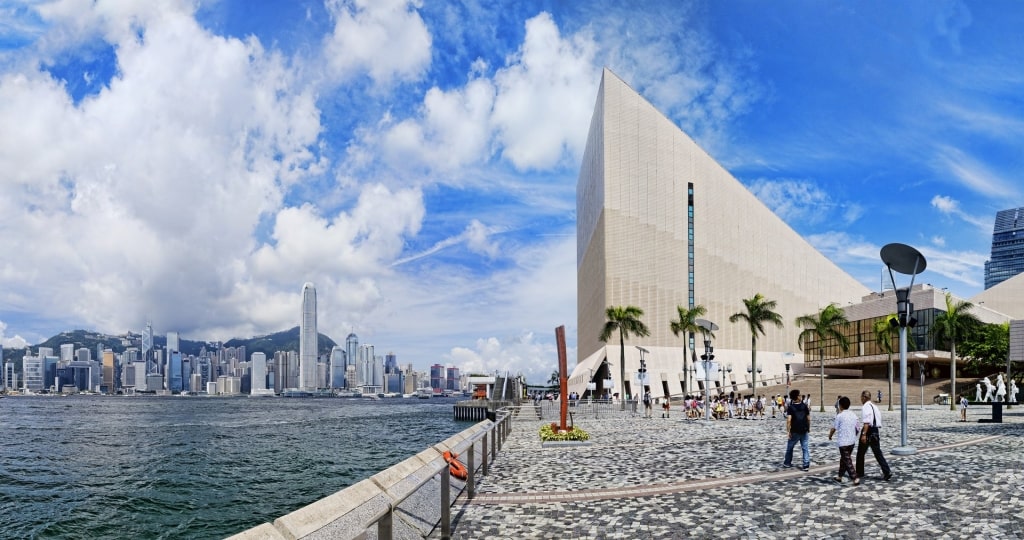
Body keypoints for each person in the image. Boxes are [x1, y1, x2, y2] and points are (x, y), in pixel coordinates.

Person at [856, 390, 892, 481]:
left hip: (868, 431)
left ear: (864, 397)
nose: (861, 399)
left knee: (860, 453)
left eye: (861, 397)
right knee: (878, 453)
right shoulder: (875, 407)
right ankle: (887, 471)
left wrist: (864, 434)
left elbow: (867, 422)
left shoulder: (865, 407)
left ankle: (859, 472)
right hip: (875, 430)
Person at [828, 396, 860, 485]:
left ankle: (855, 478)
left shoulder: (840, 416)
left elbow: (834, 428)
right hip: (852, 441)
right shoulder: (854, 414)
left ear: (840, 405)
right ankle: (839, 476)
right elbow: (858, 427)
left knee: (847, 460)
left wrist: (830, 436)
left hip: (843, 442)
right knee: (844, 459)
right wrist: (854, 435)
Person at [783, 388, 811, 470]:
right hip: (804, 429)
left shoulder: (791, 407)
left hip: (794, 430)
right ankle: (806, 464)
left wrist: (788, 431)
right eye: (799, 395)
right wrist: (809, 428)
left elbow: (788, 420)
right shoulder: (804, 406)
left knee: (790, 447)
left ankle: (787, 462)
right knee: (805, 448)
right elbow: (808, 418)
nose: (801, 396)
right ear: (797, 397)